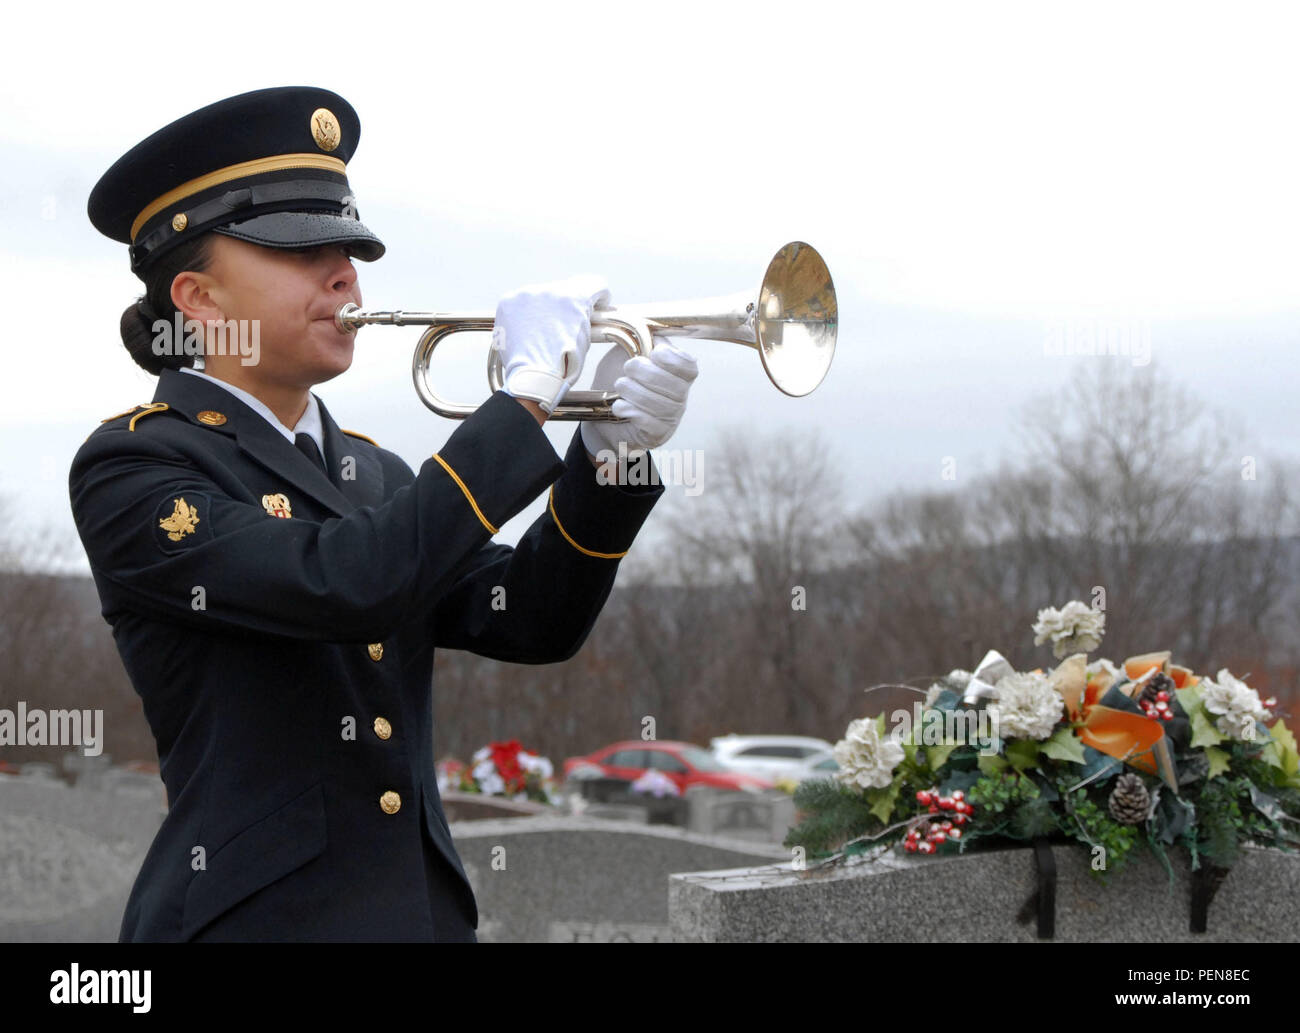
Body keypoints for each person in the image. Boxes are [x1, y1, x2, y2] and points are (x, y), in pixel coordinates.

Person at [70, 86, 698, 942]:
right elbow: (342, 581)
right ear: (199, 299)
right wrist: (518, 407)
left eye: (348, 248)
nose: (344, 275)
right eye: (299, 251)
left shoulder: (374, 470)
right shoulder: (137, 464)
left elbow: (529, 621)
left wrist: (609, 456)